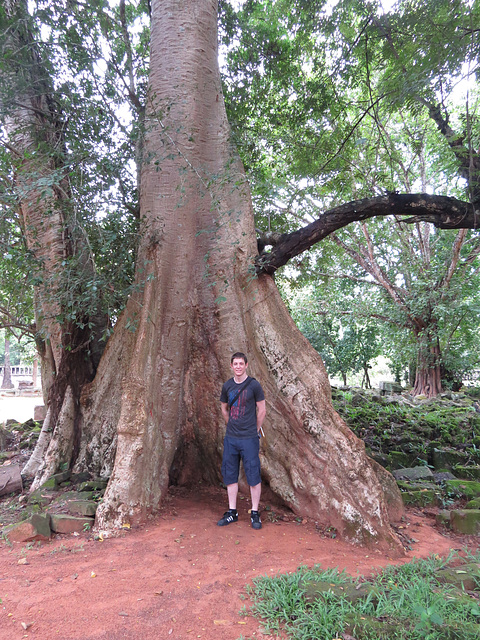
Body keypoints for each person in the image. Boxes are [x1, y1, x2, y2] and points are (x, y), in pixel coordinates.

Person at [218, 352, 266, 530]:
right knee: (230, 475)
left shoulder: (254, 385)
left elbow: (262, 410)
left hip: (249, 439)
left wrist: (254, 429)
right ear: (231, 366)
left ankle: (254, 512)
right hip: (232, 438)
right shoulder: (227, 386)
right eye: (235, 364)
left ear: (246, 365)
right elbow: (224, 408)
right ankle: (232, 512)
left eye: (241, 363)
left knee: (253, 475)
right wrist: (230, 425)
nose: (238, 366)